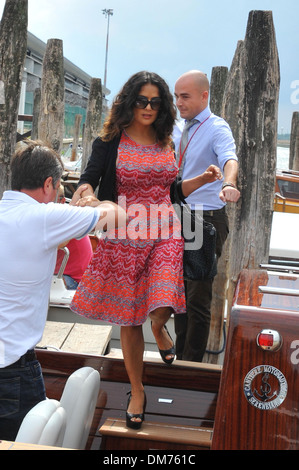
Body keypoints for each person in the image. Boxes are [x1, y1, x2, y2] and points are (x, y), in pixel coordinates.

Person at [70, 71, 222, 429]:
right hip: (125, 232)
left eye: (156, 101)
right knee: (129, 318)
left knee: (165, 295)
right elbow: (89, 177)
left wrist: (202, 179)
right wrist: (89, 195)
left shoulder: (166, 140)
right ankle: (137, 391)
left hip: (165, 228)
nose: (149, 107)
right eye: (142, 100)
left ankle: (161, 326)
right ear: (129, 101)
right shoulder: (110, 141)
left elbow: (170, 193)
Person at [0, 140, 126, 441]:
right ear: (48, 183)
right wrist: (93, 200)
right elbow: (118, 216)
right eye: (57, 189)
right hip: (12, 370)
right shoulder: (45, 218)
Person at [173, 70, 241, 363]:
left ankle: (190, 367)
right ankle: (178, 358)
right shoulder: (175, 127)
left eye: (184, 96)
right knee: (178, 296)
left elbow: (229, 157)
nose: (178, 102)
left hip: (205, 218)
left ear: (204, 96)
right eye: (176, 96)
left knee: (198, 297)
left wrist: (228, 183)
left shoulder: (217, 127)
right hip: (176, 215)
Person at [54, 185, 93, 290]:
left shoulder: (63, 218)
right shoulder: (64, 216)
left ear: (62, 200)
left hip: (75, 281)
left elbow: (50, 245)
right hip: (74, 277)